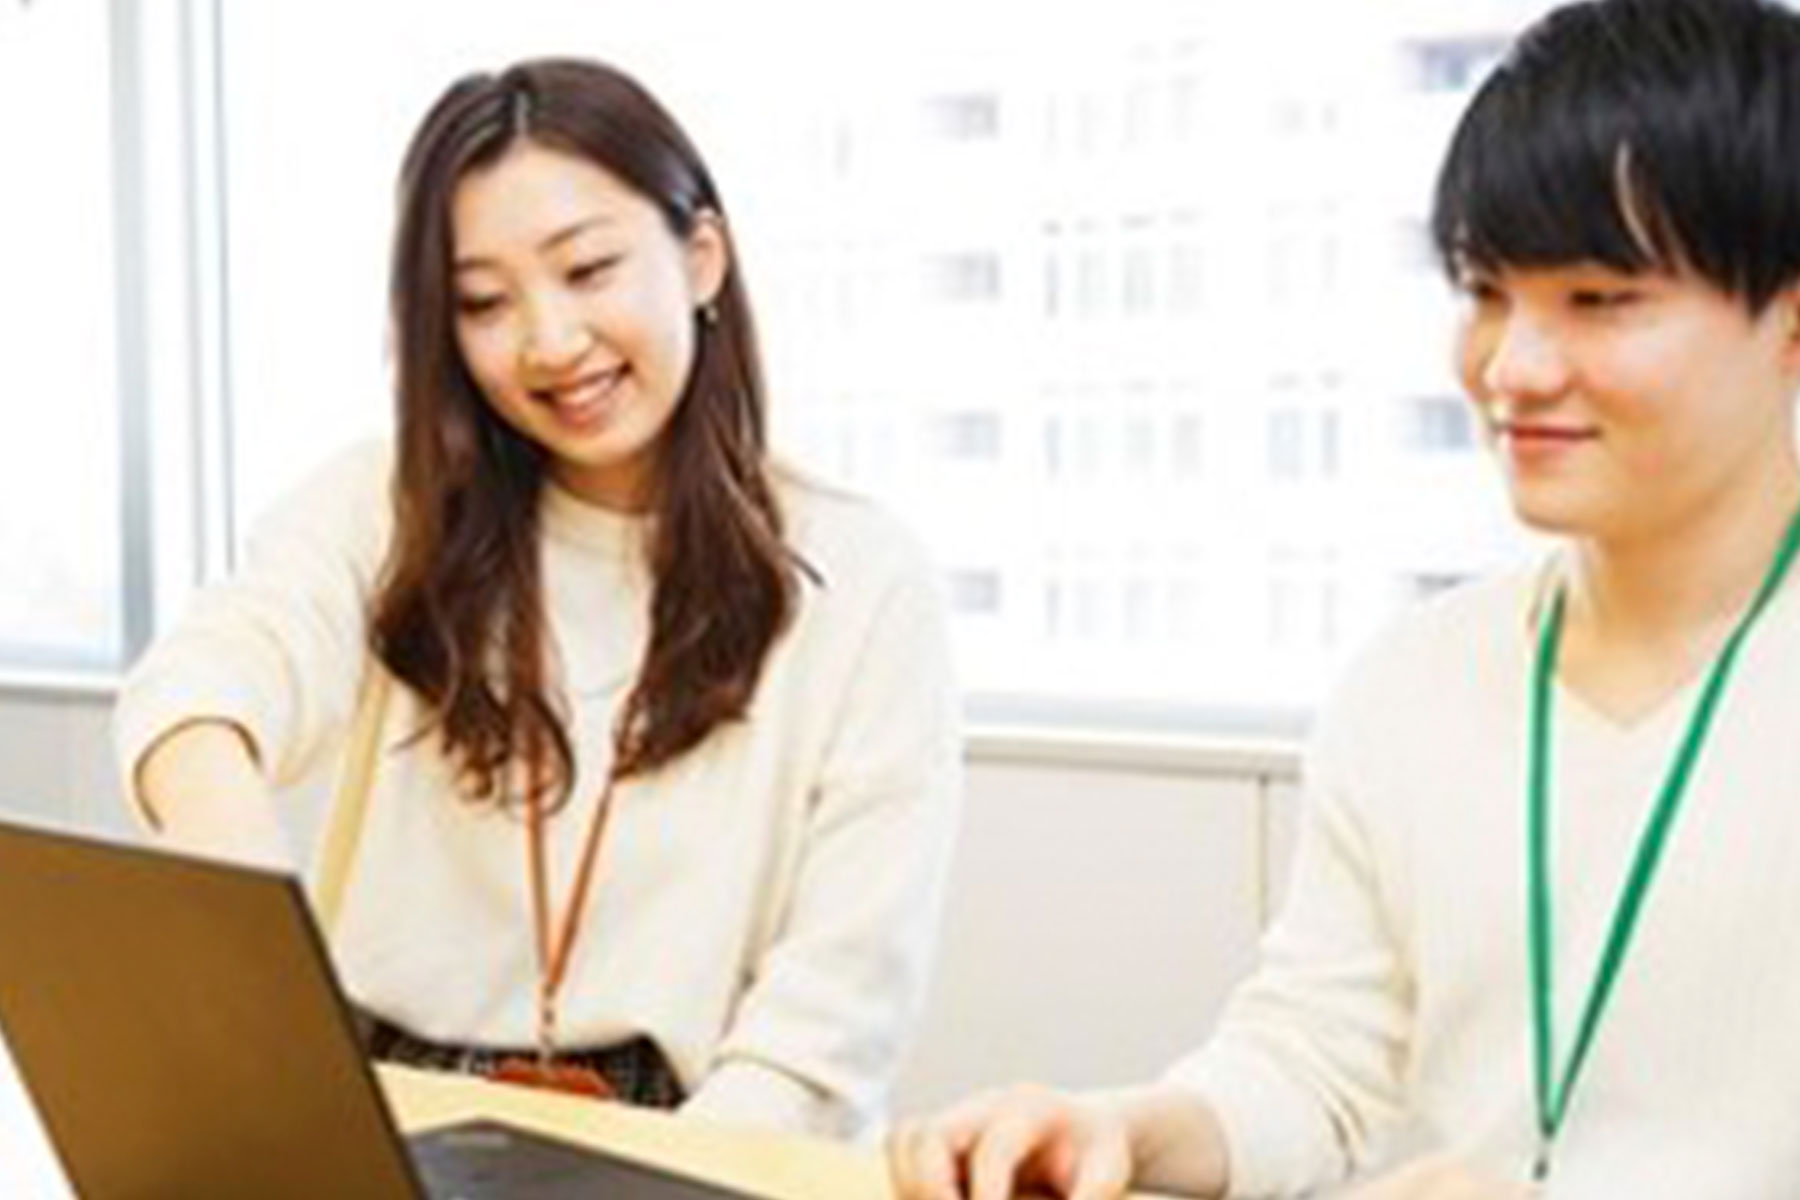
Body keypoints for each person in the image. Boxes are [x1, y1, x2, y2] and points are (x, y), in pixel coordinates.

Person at [888, 0, 1800, 1194]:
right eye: (1486, 292)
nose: (1512, 367)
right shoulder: (1417, 680)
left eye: (1598, 299)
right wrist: (1117, 1128)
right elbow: (1313, 1065)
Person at [114, 57, 961, 1139]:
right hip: (384, 1110)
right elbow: (205, 675)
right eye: (483, 302)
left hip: (694, 1138)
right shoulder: (389, 507)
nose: (550, 342)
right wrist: (231, 864)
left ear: (701, 258)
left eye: (589, 269)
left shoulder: (862, 581)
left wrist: (663, 1177)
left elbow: (827, 1032)